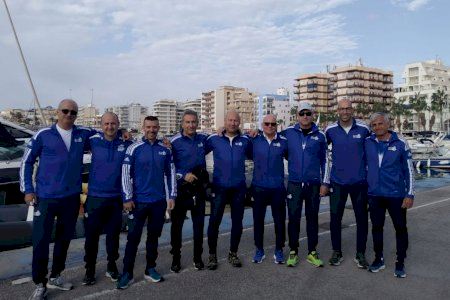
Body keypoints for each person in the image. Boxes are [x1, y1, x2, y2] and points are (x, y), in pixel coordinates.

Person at [20, 99, 94, 299]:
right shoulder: (43, 135)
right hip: (45, 197)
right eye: (65, 111)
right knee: (41, 241)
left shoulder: (82, 134)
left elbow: (107, 135)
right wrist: (28, 189)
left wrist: (123, 135)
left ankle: (56, 275)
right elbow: (26, 162)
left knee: (64, 239)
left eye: (73, 112)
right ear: (57, 113)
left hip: (70, 198)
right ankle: (40, 283)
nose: (69, 115)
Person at [117, 116, 176, 289]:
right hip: (138, 203)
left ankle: (150, 268)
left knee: (153, 238)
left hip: (158, 202)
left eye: (155, 127)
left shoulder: (165, 149)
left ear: (159, 128)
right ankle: (127, 273)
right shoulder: (134, 148)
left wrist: (171, 195)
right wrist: (127, 197)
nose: (152, 130)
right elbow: (125, 173)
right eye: (148, 127)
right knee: (133, 239)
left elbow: (171, 173)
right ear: (143, 127)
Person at [82, 112, 133, 285]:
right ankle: (89, 270)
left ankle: (112, 266)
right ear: (101, 124)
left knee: (113, 237)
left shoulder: (126, 143)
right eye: (106, 124)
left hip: (115, 199)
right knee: (91, 238)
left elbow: (142, 149)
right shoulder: (93, 140)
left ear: (118, 124)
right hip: (95, 198)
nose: (109, 127)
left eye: (113, 124)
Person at [321, 99, 370, 268]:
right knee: (335, 219)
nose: (345, 111)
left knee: (362, 219)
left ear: (352, 110)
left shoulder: (364, 129)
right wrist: (325, 181)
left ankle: (360, 254)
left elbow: (375, 146)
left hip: (360, 183)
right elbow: (321, 152)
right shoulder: (330, 130)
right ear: (338, 111)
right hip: (337, 182)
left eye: (348, 108)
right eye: (342, 109)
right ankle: (337, 252)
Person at [364, 112, 414, 278]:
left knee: (400, 228)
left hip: (396, 195)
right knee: (376, 228)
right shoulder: (367, 142)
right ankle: (379, 258)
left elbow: (409, 170)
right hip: (375, 195)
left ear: (387, 124)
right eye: (374, 125)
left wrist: (410, 194)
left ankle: (400, 262)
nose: (377, 127)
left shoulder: (400, 143)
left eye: (380, 124)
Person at [205, 110, 252, 270]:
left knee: (237, 223)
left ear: (239, 122)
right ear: (225, 121)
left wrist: (257, 132)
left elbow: (257, 152)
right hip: (219, 188)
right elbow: (197, 151)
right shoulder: (214, 139)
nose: (232, 123)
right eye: (230, 120)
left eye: (235, 121)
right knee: (214, 222)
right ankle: (212, 255)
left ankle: (233, 253)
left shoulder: (245, 140)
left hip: (238, 188)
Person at [282, 101, 327, 268]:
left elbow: (325, 161)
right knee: (293, 218)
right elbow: (282, 151)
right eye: (302, 113)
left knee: (312, 218)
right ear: (297, 116)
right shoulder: (288, 133)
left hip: (313, 184)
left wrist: (325, 182)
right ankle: (293, 251)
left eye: (308, 113)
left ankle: (312, 252)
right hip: (294, 183)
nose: (305, 116)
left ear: (312, 115)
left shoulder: (320, 135)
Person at [169, 110, 209, 272]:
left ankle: (197, 258)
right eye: (188, 122)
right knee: (176, 228)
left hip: (199, 191)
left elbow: (219, 137)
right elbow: (168, 166)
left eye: (193, 122)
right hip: (181, 191)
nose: (191, 125)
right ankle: (176, 259)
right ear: (182, 124)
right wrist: (182, 175)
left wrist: (221, 129)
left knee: (199, 226)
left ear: (197, 123)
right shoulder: (174, 141)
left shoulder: (203, 139)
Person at [250, 114, 288, 264]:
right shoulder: (254, 140)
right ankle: (259, 249)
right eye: (267, 124)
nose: (270, 126)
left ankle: (279, 250)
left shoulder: (284, 141)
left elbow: (293, 157)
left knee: (279, 221)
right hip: (258, 188)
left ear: (277, 125)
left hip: (277, 188)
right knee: (258, 221)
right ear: (262, 125)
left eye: (273, 124)